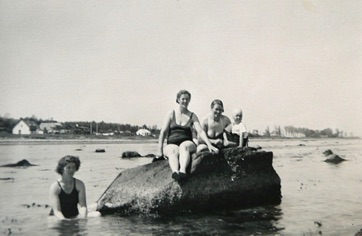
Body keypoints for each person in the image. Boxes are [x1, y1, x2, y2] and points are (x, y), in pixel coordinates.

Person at [157, 90, 219, 181]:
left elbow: (201, 131)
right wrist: (159, 150)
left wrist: (209, 145)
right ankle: (175, 172)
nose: (185, 101)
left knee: (183, 147)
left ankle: (183, 170)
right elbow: (163, 132)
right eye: (183, 99)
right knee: (172, 151)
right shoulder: (171, 114)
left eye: (187, 99)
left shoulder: (192, 116)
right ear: (178, 100)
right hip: (172, 143)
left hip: (187, 143)